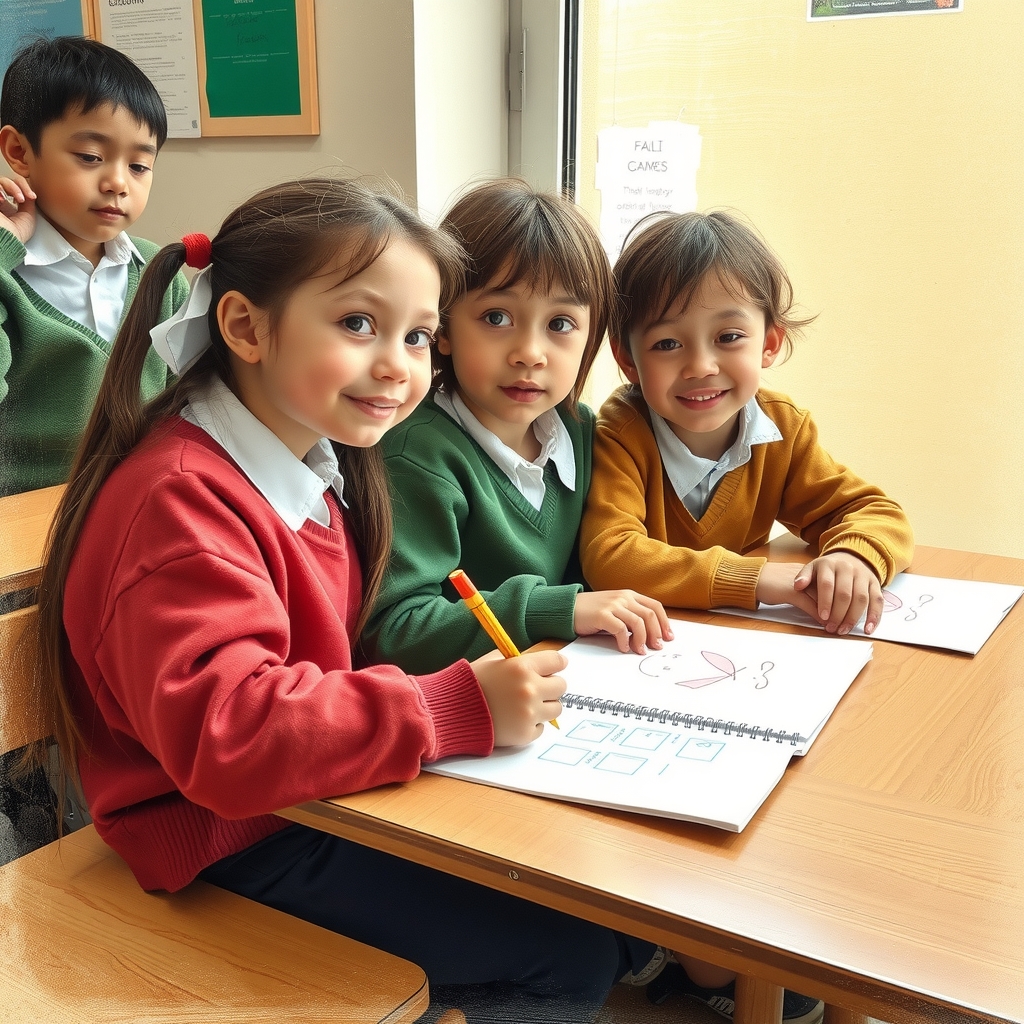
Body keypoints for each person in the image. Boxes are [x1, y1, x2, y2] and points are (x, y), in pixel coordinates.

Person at [35, 177, 670, 1024]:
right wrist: (451, 709)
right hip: (229, 841)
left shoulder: (310, 464)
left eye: (417, 337)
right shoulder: (179, 501)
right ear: (245, 326)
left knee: (608, 908)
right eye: (359, 325)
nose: (398, 368)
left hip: (312, 798)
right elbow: (230, 734)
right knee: (573, 953)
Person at [363, 178, 671, 677]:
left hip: (565, 681)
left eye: (560, 324)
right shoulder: (415, 452)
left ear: (592, 337)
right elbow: (395, 632)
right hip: (459, 716)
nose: (530, 352)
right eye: (497, 316)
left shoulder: (580, 431)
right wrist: (555, 608)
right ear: (443, 327)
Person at [582, 210, 914, 639]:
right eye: (667, 344)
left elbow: (874, 511)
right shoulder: (619, 434)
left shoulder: (782, 428)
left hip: (737, 636)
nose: (701, 366)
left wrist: (855, 557)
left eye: (728, 337)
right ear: (628, 360)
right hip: (643, 647)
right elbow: (612, 558)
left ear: (769, 343)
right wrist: (757, 580)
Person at [0, 36, 186, 496]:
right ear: (19, 152)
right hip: (23, 520)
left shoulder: (161, 275)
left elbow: (196, 402)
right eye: (90, 157)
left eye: (140, 165)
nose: (118, 182)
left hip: (134, 507)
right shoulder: (8, 272)